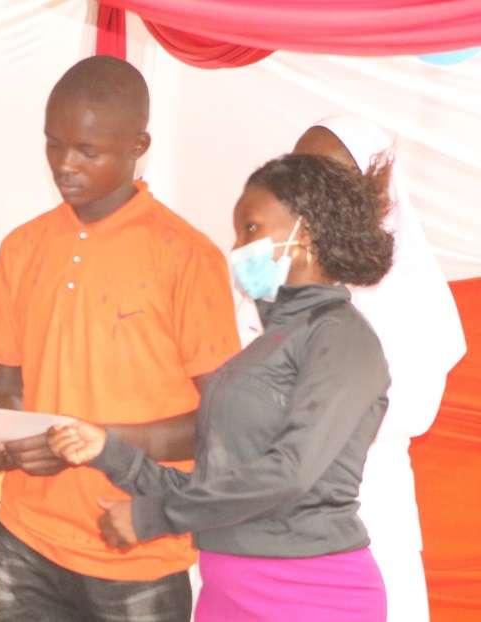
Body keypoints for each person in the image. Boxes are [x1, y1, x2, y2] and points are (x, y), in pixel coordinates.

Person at [50, 153, 396, 622]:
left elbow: (290, 473)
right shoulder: (268, 344)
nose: (237, 248)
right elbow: (219, 485)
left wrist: (154, 517)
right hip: (228, 591)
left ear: (305, 233)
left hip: (309, 592)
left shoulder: (342, 337)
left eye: (251, 229)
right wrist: (109, 452)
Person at [0, 55, 240, 621]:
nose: (64, 165)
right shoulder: (21, 248)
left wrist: (92, 442)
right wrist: (3, 439)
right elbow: (8, 389)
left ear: (138, 146)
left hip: (136, 547)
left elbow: (224, 423)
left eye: (87, 151)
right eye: (53, 145)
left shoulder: (187, 256)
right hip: (28, 540)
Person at [293, 116, 466, 622]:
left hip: (368, 513)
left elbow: (410, 408)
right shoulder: (271, 266)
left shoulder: (407, 289)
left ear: (372, 193)